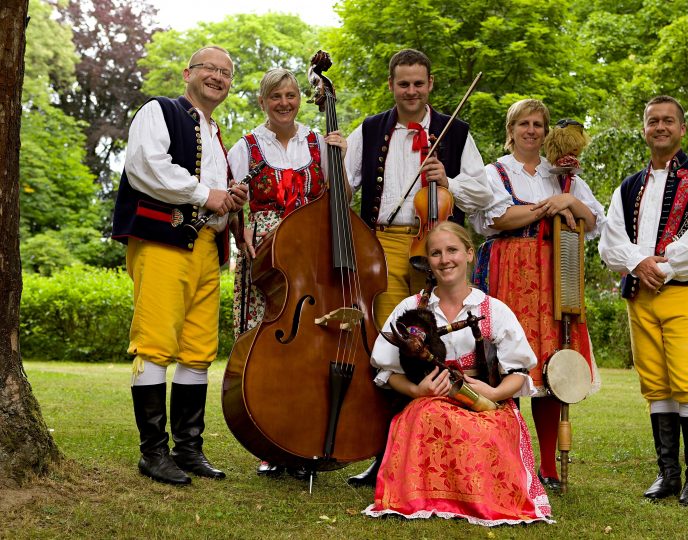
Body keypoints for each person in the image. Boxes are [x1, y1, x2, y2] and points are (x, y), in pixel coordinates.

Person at [343, 48, 493, 486]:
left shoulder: (456, 131)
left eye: (418, 83)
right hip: (385, 244)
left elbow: (484, 193)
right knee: (391, 345)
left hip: (438, 243)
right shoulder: (369, 129)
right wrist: (330, 155)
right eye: (403, 83)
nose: (411, 91)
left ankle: (436, 450)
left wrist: (450, 181)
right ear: (392, 85)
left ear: (430, 85)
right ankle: (385, 456)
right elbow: (342, 184)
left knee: (439, 344)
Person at [112, 46, 247, 485]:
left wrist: (229, 200)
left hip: (206, 247)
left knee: (198, 350)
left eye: (226, 73)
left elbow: (213, 198)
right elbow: (146, 166)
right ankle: (152, 453)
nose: (218, 77)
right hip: (162, 241)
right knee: (154, 344)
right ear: (188, 73)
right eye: (210, 68)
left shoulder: (216, 133)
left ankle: (188, 449)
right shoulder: (160, 111)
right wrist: (207, 194)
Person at [363, 221, 553, 525]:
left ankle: (477, 499)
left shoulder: (493, 310)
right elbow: (386, 370)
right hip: (429, 402)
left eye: (452, 250)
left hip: (484, 404)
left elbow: (519, 372)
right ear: (428, 261)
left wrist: (494, 392)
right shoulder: (410, 309)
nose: (444, 259)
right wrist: (416, 391)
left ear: (468, 254)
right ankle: (432, 496)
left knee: (484, 430)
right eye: (436, 253)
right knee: (428, 416)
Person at [598, 95, 688, 507]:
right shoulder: (628, 186)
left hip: (686, 292)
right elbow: (610, 241)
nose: (660, 126)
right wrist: (639, 263)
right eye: (653, 120)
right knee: (655, 385)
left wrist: (662, 268)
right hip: (640, 294)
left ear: (682, 128)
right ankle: (668, 474)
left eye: (668, 120)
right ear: (644, 129)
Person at [469, 99, 605, 492]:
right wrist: (549, 208)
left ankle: (548, 465)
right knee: (505, 363)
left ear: (546, 132)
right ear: (510, 130)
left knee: (551, 365)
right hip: (509, 272)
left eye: (538, 125)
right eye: (523, 124)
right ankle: (509, 460)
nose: (531, 130)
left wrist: (569, 200)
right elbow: (498, 218)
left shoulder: (561, 175)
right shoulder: (494, 172)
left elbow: (593, 220)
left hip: (554, 275)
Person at [227, 67, 346, 477]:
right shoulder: (245, 146)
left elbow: (342, 199)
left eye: (291, 95)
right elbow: (232, 203)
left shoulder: (318, 141)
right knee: (266, 349)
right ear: (263, 101)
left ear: (300, 99)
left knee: (310, 349)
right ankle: (270, 442)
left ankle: (305, 439)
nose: (284, 103)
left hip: (311, 250)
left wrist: (339, 159)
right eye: (275, 96)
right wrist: (240, 231)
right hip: (266, 253)